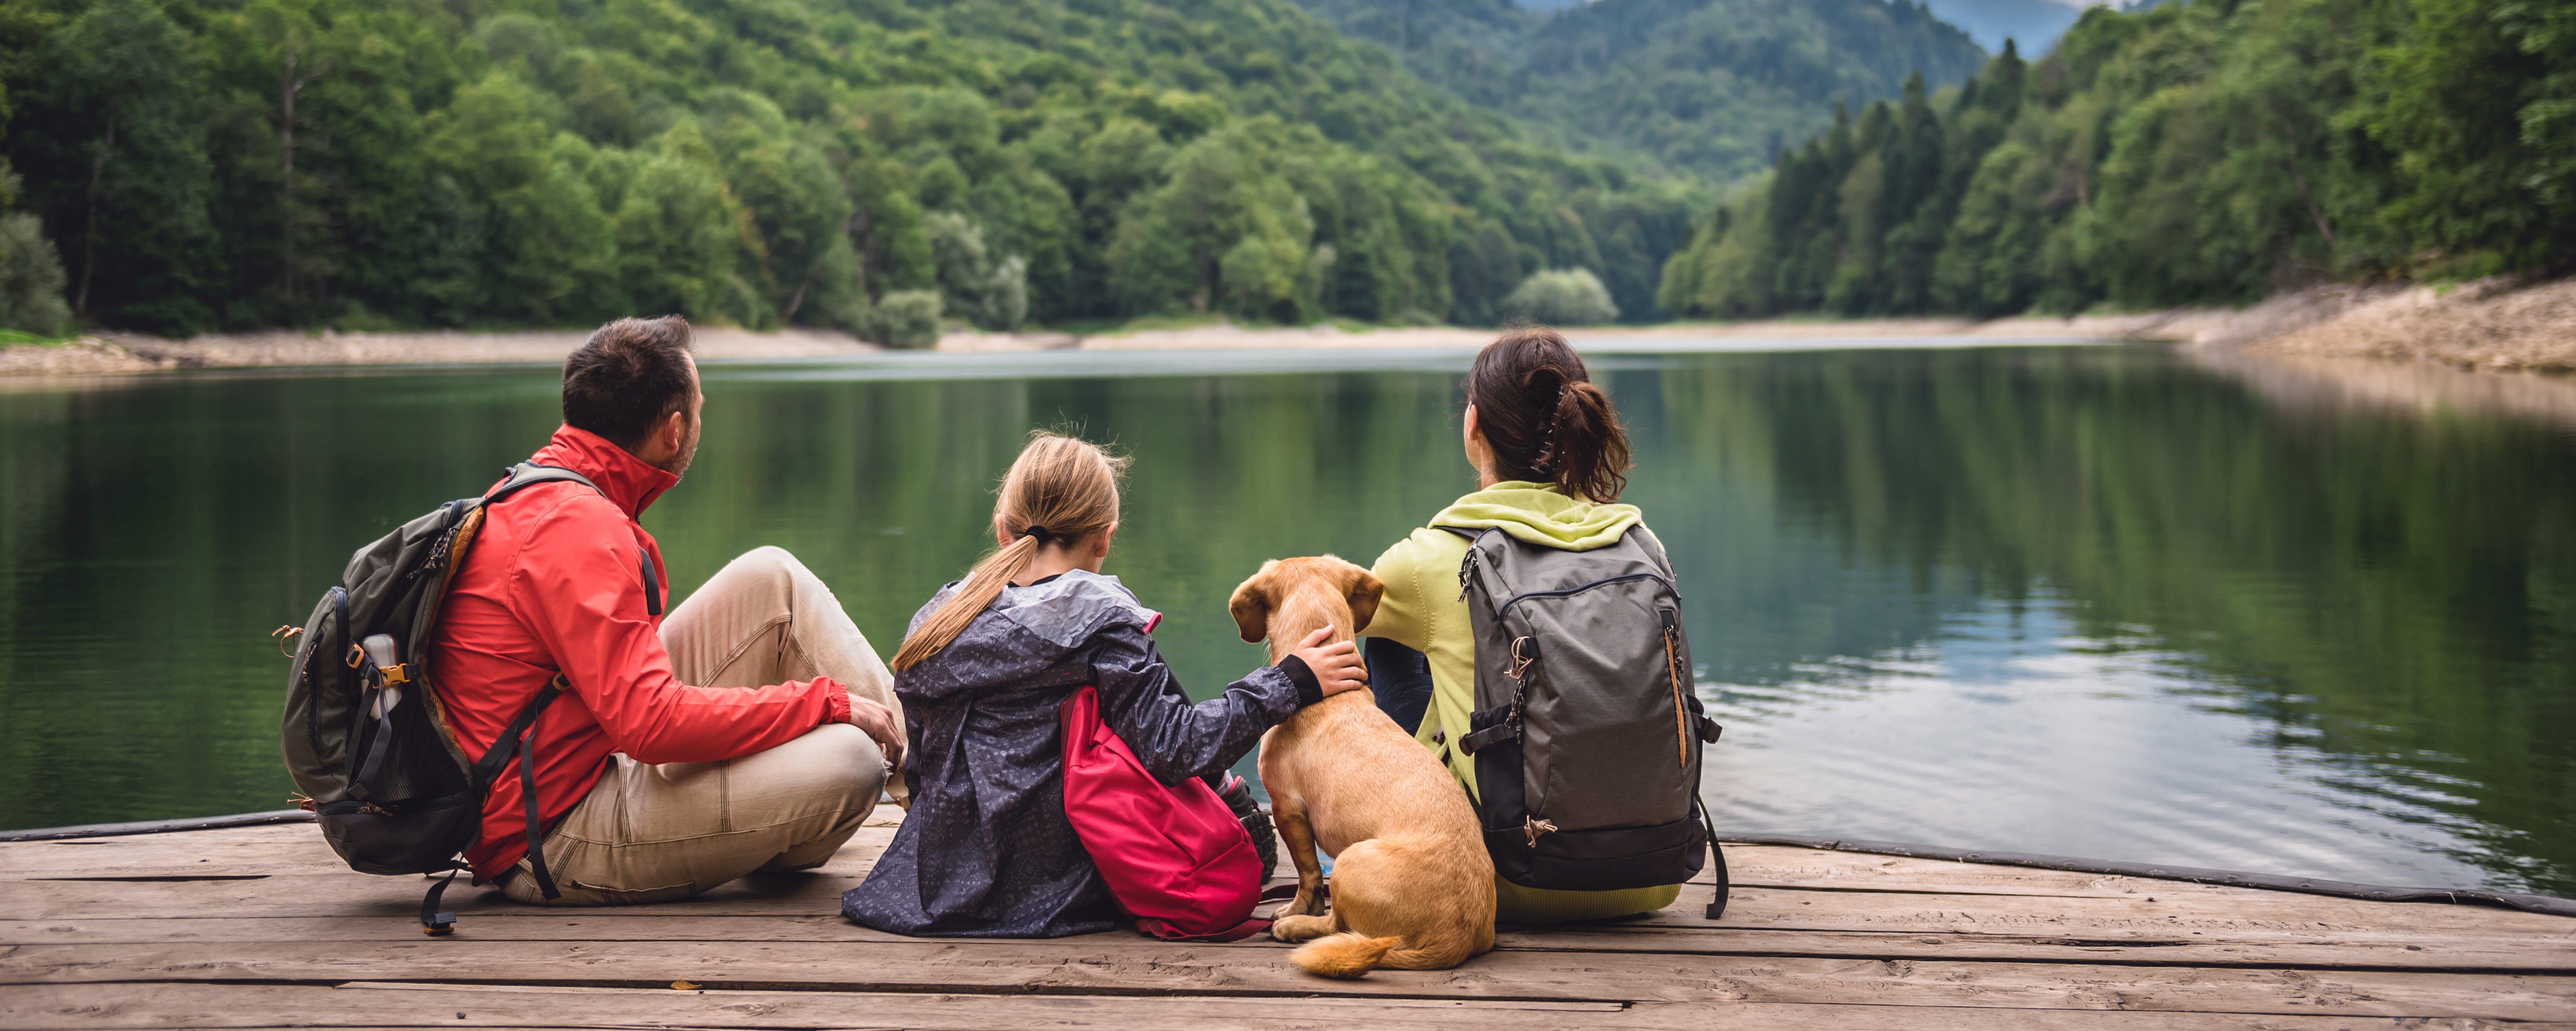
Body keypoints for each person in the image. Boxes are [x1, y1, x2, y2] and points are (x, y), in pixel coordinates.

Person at [428, 316, 909, 906]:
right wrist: (822, 703)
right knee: (851, 760)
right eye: (701, 407)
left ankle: (937, 796)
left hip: (581, 750)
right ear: (674, 430)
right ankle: (945, 809)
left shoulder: (541, 490)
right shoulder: (581, 530)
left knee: (772, 577)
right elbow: (651, 726)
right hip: (550, 835)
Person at [841, 432, 1368, 937]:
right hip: (1057, 886)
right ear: (1104, 537)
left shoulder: (938, 619)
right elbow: (1176, 747)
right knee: (1242, 826)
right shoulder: (1101, 623)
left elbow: (925, 760)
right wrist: (1289, 681)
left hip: (932, 882)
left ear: (1003, 530)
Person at [1361, 327, 1684, 923]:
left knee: (1383, 633)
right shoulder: (1641, 544)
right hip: (1654, 875)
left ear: (1472, 426)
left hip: (1493, 878)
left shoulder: (1425, 560)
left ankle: (1374, 847)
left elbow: (1318, 634)